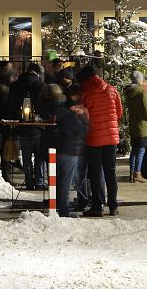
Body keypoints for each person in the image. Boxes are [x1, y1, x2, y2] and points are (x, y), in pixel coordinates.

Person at [77, 65, 123, 217]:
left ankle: (97, 206)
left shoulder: (86, 92)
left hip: (94, 138)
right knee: (111, 172)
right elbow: (119, 112)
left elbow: (83, 116)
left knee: (95, 173)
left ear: (84, 79)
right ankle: (113, 206)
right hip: (111, 137)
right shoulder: (111, 89)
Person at [43, 82, 88, 217]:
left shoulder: (43, 111)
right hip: (68, 149)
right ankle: (64, 211)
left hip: (51, 149)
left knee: (54, 180)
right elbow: (80, 130)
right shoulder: (67, 112)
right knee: (65, 183)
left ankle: (55, 206)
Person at [5, 62, 46, 189]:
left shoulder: (16, 85)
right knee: (40, 156)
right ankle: (39, 182)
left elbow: (10, 106)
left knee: (27, 156)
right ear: (37, 73)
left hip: (21, 126)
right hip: (38, 126)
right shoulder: (41, 85)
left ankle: (28, 181)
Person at [123, 70, 147, 183]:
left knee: (134, 149)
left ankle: (132, 173)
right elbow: (146, 109)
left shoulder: (129, 92)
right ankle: (137, 173)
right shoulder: (141, 92)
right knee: (141, 149)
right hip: (142, 125)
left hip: (133, 124)